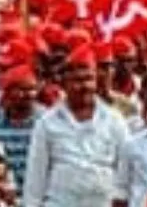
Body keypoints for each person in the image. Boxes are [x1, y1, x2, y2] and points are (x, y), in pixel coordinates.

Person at [24, 48, 130, 207]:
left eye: (89, 79)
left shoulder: (115, 120)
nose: (84, 86)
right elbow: (35, 178)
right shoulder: (47, 123)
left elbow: (125, 168)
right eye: (77, 80)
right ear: (64, 83)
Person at [0, 65, 40, 188]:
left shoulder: (44, 123)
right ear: (8, 92)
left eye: (32, 89)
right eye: (21, 89)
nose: (28, 94)